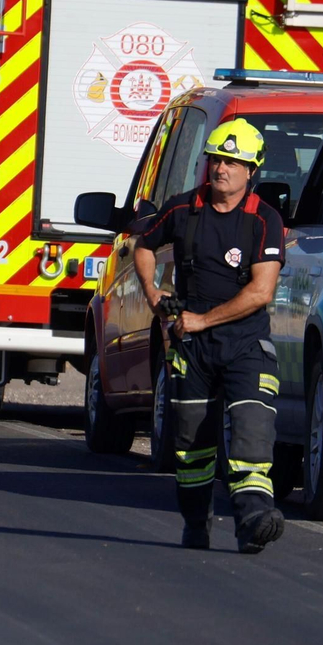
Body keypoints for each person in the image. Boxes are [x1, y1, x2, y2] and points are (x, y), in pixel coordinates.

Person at [132, 118, 287, 553]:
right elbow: (142, 245)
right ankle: (196, 523)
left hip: (244, 344)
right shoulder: (182, 209)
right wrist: (151, 290)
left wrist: (203, 319)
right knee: (191, 446)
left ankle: (255, 518)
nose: (222, 168)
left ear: (251, 170)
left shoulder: (264, 220)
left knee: (251, 432)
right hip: (192, 350)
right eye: (217, 158)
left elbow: (261, 291)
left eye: (233, 162)